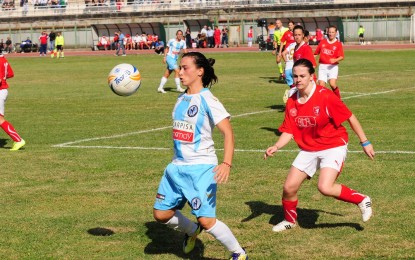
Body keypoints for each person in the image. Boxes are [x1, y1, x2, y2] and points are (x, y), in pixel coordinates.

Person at [153, 51, 248, 260]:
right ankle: (192, 231)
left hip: (202, 168)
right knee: (161, 214)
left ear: (200, 71)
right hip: (177, 167)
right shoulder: (181, 98)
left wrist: (226, 163)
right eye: (180, 67)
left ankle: (239, 253)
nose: (180, 72)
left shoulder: (208, 99)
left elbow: (228, 133)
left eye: (185, 67)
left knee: (206, 219)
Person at [264, 58, 374, 233]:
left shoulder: (325, 96)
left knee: (325, 187)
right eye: (295, 76)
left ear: (311, 77)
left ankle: (361, 199)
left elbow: (350, 117)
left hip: (333, 145)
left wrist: (365, 142)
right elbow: (289, 130)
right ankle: (289, 220)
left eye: (302, 76)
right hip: (309, 148)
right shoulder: (292, 100)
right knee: (289, 187)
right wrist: (276, 146)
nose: (298, 79)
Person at [0, 53, 26, 151]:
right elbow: (10, 74)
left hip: (0, 91)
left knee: (0, 120)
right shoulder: (3, 59)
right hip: (3, 91)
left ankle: (18, 140)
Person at [314, 25, 344, 99]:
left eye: (332, 32)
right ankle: (323, 101)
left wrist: (335, 60)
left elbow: (342, 56)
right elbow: (316, 53)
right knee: (321, 85)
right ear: (327, 32)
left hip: (333, 67)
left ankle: (338, 99)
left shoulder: (338, 44)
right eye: (329, 32)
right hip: (322, 66)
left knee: (332, 84)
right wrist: (309, 59)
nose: (331, 34)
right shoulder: (322, 42)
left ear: (336, 33)